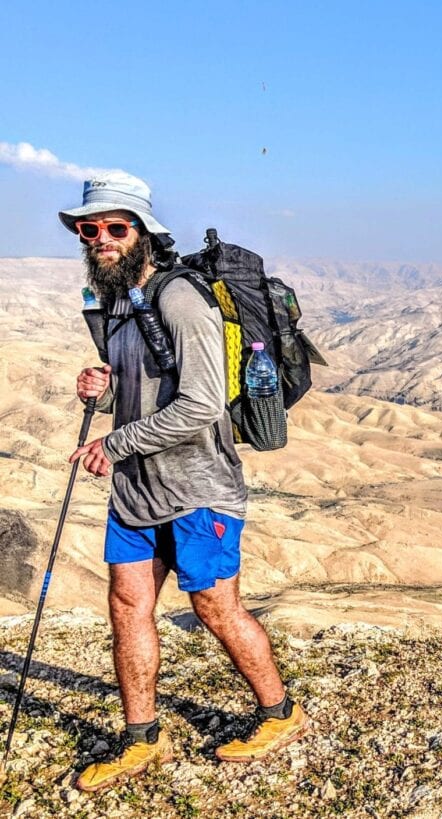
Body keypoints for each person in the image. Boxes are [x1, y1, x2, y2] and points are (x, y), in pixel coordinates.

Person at [62, 171, 309, 793]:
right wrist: (106, 385)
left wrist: (113, 444)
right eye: (90, 229)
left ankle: (280, 713)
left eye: (115, 228)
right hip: (138, 492)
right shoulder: (119, 304)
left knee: (215, 608)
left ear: (144, 233)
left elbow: (200, 405)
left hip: (199, 489)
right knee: (127, 605)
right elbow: (145, 388)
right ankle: (141, 737)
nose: (101, 239)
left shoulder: (180, 300)